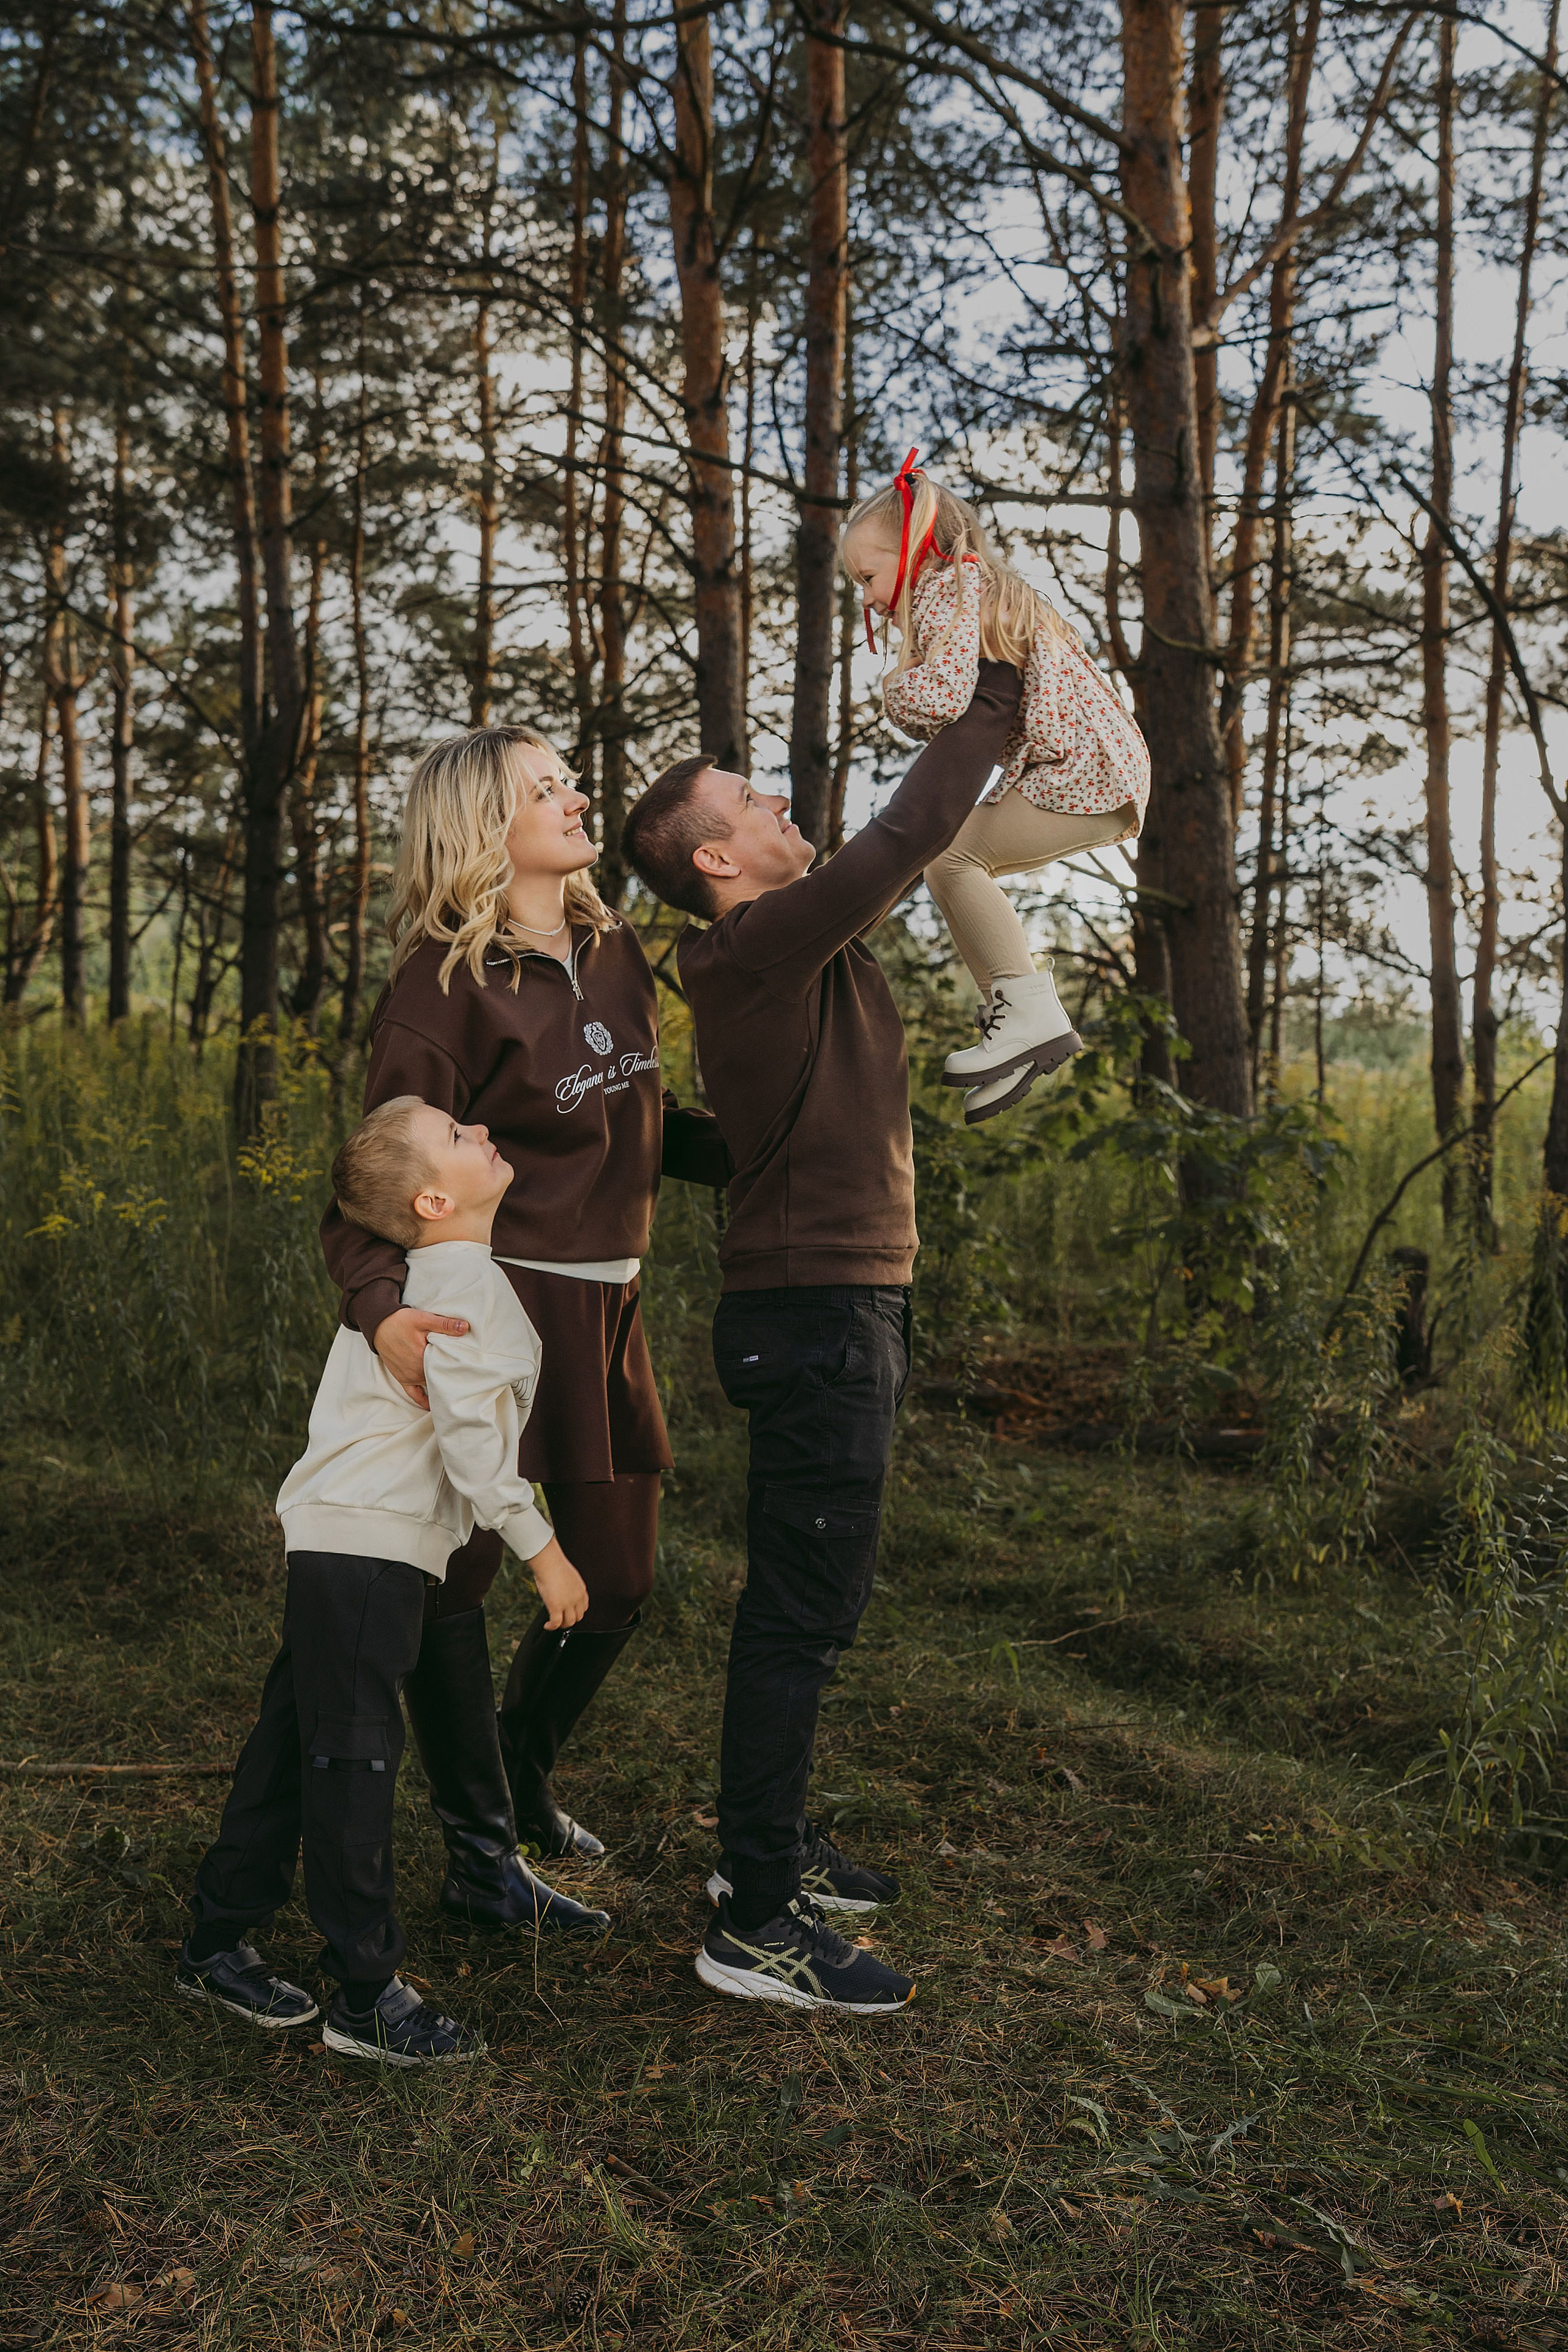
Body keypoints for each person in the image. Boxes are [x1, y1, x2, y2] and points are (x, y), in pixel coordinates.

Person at [620, 662, 1023, 2013]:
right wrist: (996, 698)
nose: (782, 803)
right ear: (716, 858)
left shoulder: (779, 961)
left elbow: (746, 1141)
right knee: (800, 1614)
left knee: (810, 1606)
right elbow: (904, 835)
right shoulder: (758, 942)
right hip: (816, 1319)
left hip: (838, 1307)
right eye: (751, 799)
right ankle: (753, 1919)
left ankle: (771, 1848)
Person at [322, 725, 728, 1924]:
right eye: (543, 788)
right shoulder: (438, 987)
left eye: (569, 779)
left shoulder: (615, 948)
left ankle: (520, 1768)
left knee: (618, 1577)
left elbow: (636, 1120)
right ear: (479, 829)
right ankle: (480, 1861)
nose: (575, 796)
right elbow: (371, 1188)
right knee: (454, 1584)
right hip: (494, 1304)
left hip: (608, 1300)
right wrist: (383, 1317)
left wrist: (776, 1145)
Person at [179, 1095, 600, 2066]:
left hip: (344, 1542)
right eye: (458, 1135)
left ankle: (215, 1938)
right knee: (355, 1762)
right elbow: (472, 1441)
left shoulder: (427, 1282)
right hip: (369, 1550)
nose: (481, 1131)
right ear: (431, 1201)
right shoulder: (459, 1290)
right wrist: (541, 1548)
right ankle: (366, 1994)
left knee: (298, 1741)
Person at [841, 450, 1150, 1123]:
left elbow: (941, 697)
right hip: (1097, 767)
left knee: (954, 857)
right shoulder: (976, 587)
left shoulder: (949, 585)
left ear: (915, 548)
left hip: (1084, 770)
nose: (865, 598)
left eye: (867, 576)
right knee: (952, 859)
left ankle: (1027, 1015)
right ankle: (1013, 1030)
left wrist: (894, 687)